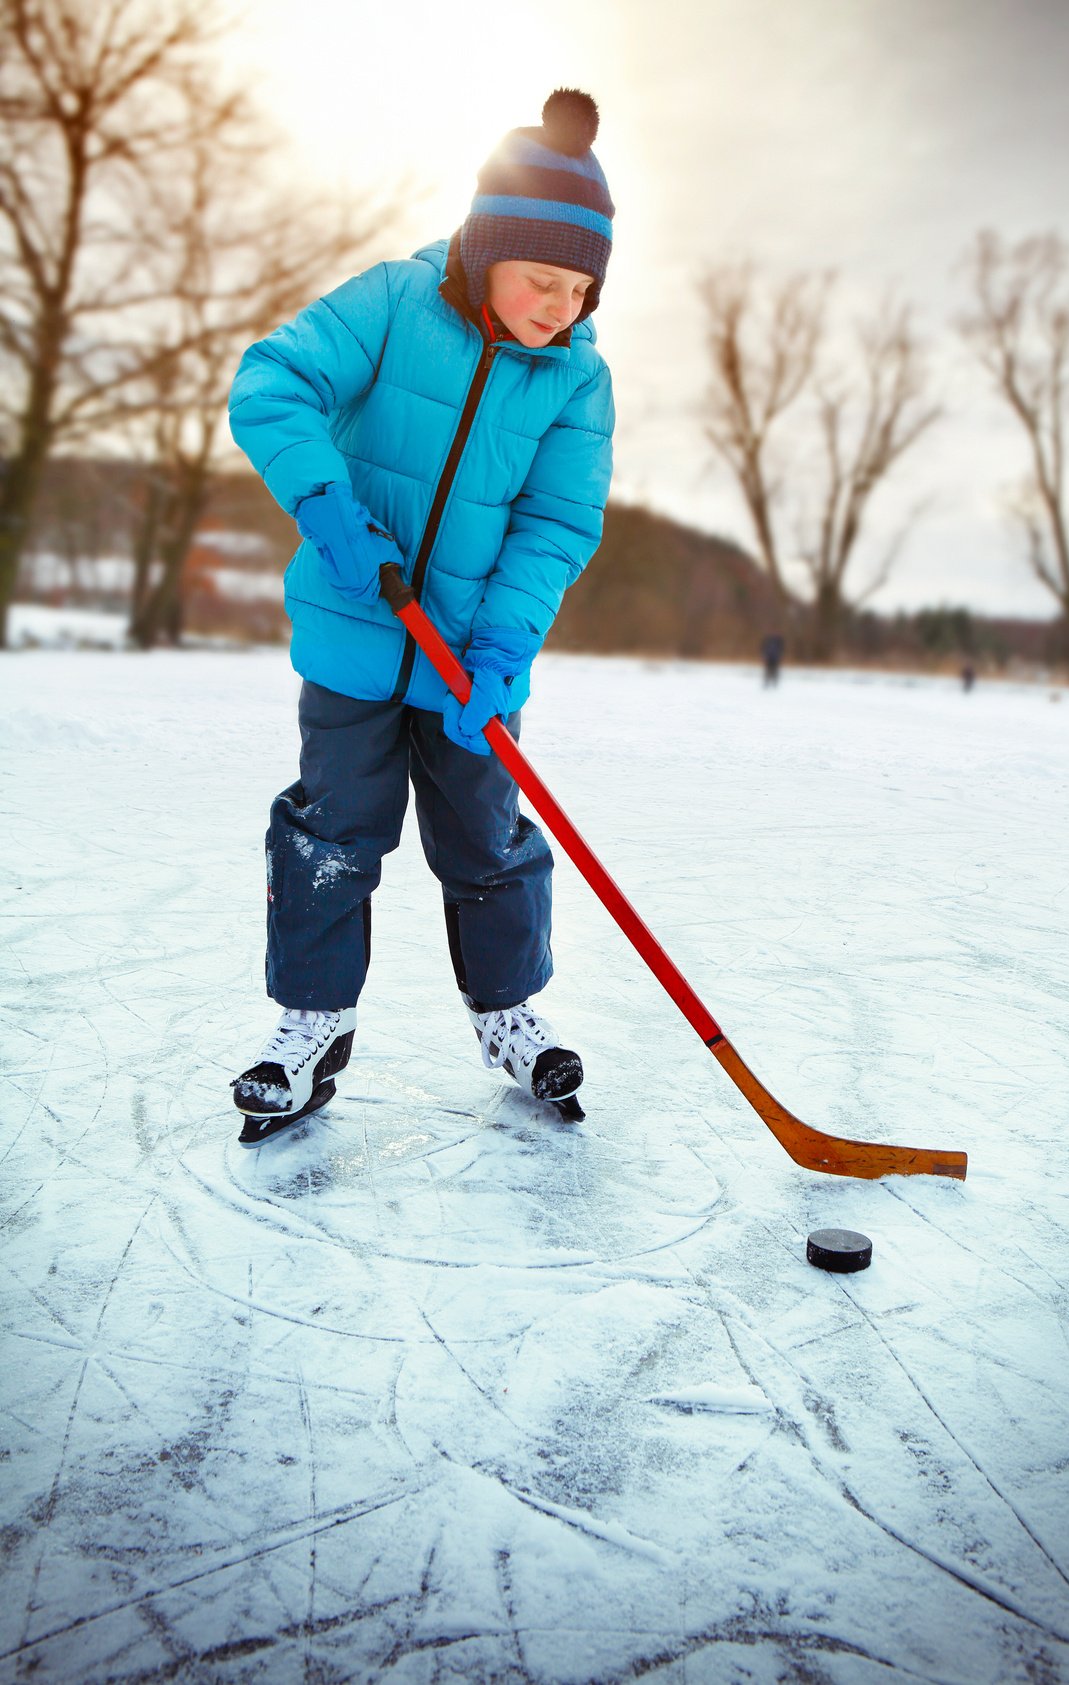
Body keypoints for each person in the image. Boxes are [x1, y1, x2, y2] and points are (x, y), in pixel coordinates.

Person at [226, 90, 615, 1145]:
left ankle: (509, 1018)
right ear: (486, 247)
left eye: (579, 288)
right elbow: (272, 383)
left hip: (467, 665)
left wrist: (499, 647)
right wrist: (326, 506)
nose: (558, 307)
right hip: (357, 637)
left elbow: (556, 523)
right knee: (330, 836)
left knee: (487, 843)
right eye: (540, 277)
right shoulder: (395, 304)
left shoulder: (576, 381)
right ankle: (306, 1027)